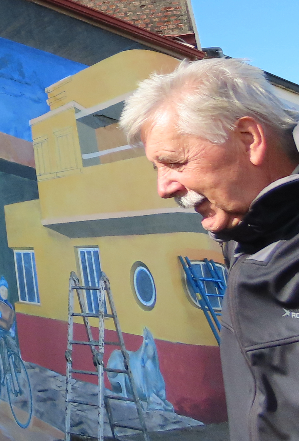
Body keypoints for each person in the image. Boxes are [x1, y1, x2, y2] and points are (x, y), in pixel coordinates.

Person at [119, 58, 299, 441]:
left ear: (249, 139)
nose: (164, 188)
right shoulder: (246, 240)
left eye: (174, 162)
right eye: (157, 169)